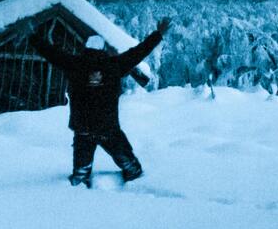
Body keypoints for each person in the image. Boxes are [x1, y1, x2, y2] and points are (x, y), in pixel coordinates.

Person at [25, 17, 171, 188]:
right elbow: (139, 52)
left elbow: (50, 53)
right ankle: (137, 185)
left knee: (80, 174)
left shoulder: (74, 64)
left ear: (86, 48)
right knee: (132, 168)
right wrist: (158, 34)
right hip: (107, 127)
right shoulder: (115, 64)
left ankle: (77, 193)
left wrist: (31, 36)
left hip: (82, 128)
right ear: (102, 49)